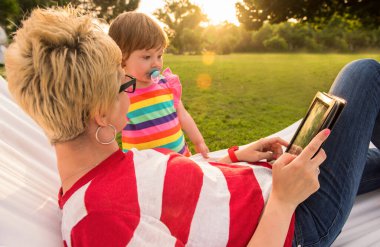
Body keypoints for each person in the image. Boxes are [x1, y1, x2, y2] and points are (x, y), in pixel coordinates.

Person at [4, 7, 380, 247]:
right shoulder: (99, 221)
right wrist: (283, 200)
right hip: (297, 223)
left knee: (368, 159)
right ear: (99, 113)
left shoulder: (102, 163)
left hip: (273, 182)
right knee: (364, 74)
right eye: (124, 85)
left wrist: (238, 156)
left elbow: (177, 183)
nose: (132, 93)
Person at [108, 12, 209, 158]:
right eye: (147, 57)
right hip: (145, 169)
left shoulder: (167, 85)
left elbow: (183, 115)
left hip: (179, 158)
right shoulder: (121, 94)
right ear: (122, 57)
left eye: (159, 55)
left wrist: (199, 142)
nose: (156, 63)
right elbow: (109, 129)